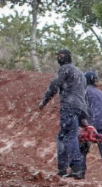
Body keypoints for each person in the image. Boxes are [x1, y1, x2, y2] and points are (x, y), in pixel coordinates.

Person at [38, 49, 90, 178]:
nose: (59, 59)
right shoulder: (80, 74)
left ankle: (75, 168)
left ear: (66, 57)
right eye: (58, 56)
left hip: (69, 106)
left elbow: (55, 84)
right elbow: (83, 95)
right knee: (63, 137)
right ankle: (63, 169)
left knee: (68, 137)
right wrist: (83, 116)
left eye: (60, 56)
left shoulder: (65, 69)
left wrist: (44, 100)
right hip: (79, 107)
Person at [78, 70, 102, 182]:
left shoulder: (85, 91)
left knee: (82, 148)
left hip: (91, 124)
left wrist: (82, 122)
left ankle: (80, 172)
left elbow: (83, 108)